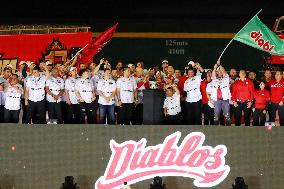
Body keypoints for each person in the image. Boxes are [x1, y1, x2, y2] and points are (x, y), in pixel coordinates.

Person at [209, 59, 231, 126]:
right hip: (217, 100)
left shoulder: (226, 78)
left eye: (220, 71)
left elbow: (224, 72)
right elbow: (212, 75)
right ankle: (216, 129)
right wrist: (215, 68)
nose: (219, 72)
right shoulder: (214, 79)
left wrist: (219, 65)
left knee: (227, 115)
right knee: (216, 115)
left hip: (225, 99)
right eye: (217, 71)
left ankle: (229, 128)